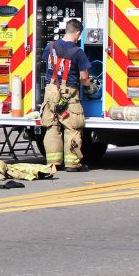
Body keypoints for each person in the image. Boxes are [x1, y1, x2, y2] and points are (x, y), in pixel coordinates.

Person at [37, 18, 94, 172]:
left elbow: (47, 64)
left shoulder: (50, 46)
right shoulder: (78, 52)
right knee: (72, 127)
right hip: (68, 94)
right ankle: (72, 163)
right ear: (77, 33)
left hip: (50, 92)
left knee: (52, 126)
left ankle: (54, 162)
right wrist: (90, 85)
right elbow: (83, 78)